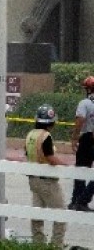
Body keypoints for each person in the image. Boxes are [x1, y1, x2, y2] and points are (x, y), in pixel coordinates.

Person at [25, 104, 67, 246]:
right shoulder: (46, 136)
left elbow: (27, 154)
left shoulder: (30, 135)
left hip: (33, 180)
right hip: (47, 182)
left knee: (37, 214)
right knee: (61, 214)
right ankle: (56, 245)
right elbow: (50, 157)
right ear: (51, 122)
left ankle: (38, 244)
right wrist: (65, 166)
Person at [69, 75, 94, 212]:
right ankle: (80, 201)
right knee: (86, 170)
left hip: (86, 138)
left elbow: (80, 121)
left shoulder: (84, 103)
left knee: (81, 169)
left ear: (88, 89)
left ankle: (78, 200)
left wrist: (74, 138)